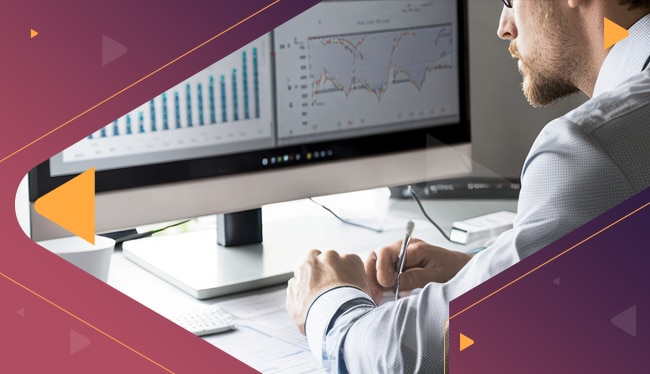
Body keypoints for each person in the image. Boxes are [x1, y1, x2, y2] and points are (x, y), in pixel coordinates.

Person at [286, 0, 650, 372]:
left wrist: (328, 300)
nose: (504, 27)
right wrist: (484, 271)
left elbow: (409, 359)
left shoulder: (594, 146)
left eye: (510, 0)